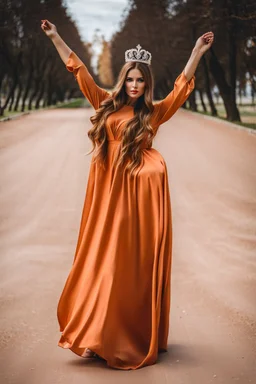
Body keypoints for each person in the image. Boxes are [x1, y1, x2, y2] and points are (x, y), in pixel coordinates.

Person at [41, 19, 214, 370]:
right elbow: (80, 71)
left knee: (124, 262)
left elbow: (181, 87)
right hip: (105, 194)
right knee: (100, 258)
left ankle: (121, 332)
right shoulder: (104, 102)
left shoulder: (153, 112)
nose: (135, 85)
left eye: (141, 81)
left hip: (135, 202)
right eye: (131, 79)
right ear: (124, 80)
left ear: (146, 85)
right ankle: (95, 331)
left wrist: (196, 52)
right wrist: (55, 37)